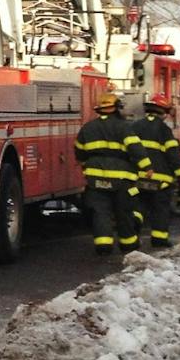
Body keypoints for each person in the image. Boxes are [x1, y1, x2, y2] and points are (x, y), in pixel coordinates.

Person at [74, 91, 143, 257]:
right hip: (121, 179)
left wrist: (87, 166)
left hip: (95, 179)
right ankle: (128, 245)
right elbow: (136, 150)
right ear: (117, 108)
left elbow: (79, 152)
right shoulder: (124, 127)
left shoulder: (87, 128)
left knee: (100, 212)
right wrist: (146, 168)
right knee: (123, 211)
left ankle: (103, 245)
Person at [132, 95, 180, 248]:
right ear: (163, 112)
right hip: (160, 180)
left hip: (138, 176)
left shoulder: (134, 127)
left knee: (139, 205)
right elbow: (173, 155)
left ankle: (135, 225)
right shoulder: (164, 130)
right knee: (160, 209)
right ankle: (159, 239)